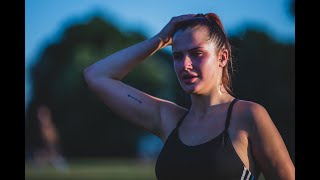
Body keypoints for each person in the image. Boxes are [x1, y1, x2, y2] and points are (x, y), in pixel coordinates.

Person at [83, 13, 294, 180]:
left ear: (222, 57)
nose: (185, 65)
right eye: (177, 55)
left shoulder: (249, 115)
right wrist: (159, 39)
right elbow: (96, 75)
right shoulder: (168, 119)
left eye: (196, 54)